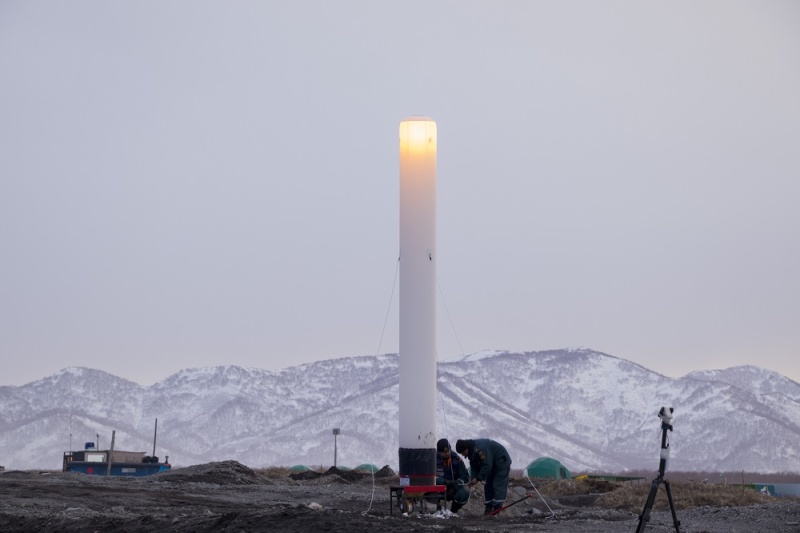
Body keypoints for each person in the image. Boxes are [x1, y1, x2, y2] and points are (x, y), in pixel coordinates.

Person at [455, 438, 512, 515]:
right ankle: (489, 507)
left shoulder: (480, 449)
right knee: (488, 484)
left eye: (463, 452)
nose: (463, 455)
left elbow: (487, 465)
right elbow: (474, 466)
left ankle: (497, 507)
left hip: (501, 462)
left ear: (466, 448)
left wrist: (478, 478)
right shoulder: (472, 452)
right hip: (492, 465)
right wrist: (473, 478)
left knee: (498, 484)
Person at [435, 438, 470, 513]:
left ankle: (453, 511)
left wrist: (456, 485)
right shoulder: (432, 459)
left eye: (448, 451)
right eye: (444, 452)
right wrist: (444, 482)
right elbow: (430, 478)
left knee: (464, 493)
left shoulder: (457, 459)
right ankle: (436, 508)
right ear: (439, 452)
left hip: (453, 487)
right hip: (437, 488)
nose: (447, 453)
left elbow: (465, 476)